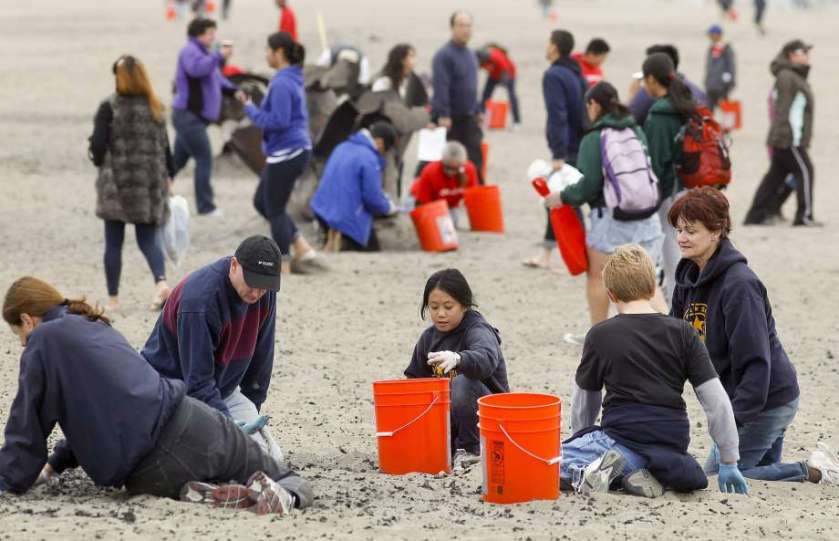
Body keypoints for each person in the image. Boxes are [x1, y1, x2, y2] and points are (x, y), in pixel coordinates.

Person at [0, 277, 313, 514]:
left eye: (20, 336)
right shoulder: (93, 325)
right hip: (196, 421)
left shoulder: (43, 340)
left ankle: (205, 489)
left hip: (150, 468)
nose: (23, 345)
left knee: (170, 478)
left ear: (28, 319)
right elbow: (113, 400)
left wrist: (10, 479)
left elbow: (26, 425)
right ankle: (286, 495)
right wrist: (58, 461)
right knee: (283, 474)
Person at [668, 188, 839, 484]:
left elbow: (756, 362)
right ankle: (808, 470)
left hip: (767, 400)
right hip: (741, 398)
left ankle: (817, 470)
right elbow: (675, 338)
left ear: (717, 231)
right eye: (679, 229)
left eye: (691, 231)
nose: (682, 237)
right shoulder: (688, 276)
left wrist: (731, 425)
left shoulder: (740, 286)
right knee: (760, 476)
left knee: (719, 476)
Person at [563, 245, 748, 497]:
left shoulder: (600, 335)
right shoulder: (684, 333)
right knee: (639, 457)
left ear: (611, 295)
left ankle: (615, 469)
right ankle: (637, 473)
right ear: (653, 289)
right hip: (670, 445)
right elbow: (716, 400)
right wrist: (729, 460)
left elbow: (585, 400)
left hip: (622, 437)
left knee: (549, 462)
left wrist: (581, 436)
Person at [141, 235, 285, 462]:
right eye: (252, 283)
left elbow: (262, 356)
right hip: (170, 393)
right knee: (210, 458)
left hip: (222, 392)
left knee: (270, 459)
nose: (257, 294)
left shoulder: (264, 292)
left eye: (264, 287)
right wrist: (229, 429)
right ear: (234, 265)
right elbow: (197, 384)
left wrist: (251, 411)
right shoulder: (200, 301)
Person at [544, 82, 666, 339]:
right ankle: (666, 334)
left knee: (598, 276)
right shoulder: (635, 129)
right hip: (646, 215)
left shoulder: (594, 137)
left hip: (611, 218)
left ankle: (598, 334)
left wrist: (563, 196)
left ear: (594, 105)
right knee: (648, 278)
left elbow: (589, 185)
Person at [89, 55, 173, 313]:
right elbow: (166, 149)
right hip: (148, 184)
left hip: (117, 183)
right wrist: (168, 177)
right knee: (148, 240)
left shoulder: (109, 107)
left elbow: (98, 147)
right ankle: (160, 282)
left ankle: (113, 300)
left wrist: (97, 154)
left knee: (114, 242)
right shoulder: (155, 106)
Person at [405, 269, 509, 468]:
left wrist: (459, 359)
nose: (440, 314)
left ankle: (472, 450)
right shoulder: (429, 338)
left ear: (464, 305)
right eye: (434, 307)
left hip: (490, 421)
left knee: (462, 382)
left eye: (448, 306)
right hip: (449, 423)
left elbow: (486, 358)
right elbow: (414, 380)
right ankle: (450, 447)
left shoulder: (478, 330)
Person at [240, 32, 324, 275]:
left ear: (279, 53)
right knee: (261, 202)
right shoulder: (290, 78)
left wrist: (250, 109)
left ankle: (282, 265)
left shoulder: (282, 83)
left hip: (289, 151)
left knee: (275, 208)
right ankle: (301, 245)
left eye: (268, 50)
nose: (265, 55)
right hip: (290, 150)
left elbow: (278, 120)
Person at [523, 29, 586, 270]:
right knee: (562, 199)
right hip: (580, 142)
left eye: (549, 43)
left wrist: (558, 153)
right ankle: (548, 253)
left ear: (555, 47)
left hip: (567, 147)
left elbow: (557, 114)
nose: (546, 46)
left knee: (562, 200)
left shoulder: (554, 75)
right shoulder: (576, 72)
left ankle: (571, 255)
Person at [642, 52, 696, 306]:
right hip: (689, 185)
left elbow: (656, 160)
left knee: (671, 250)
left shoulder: (661, 114)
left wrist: (652, 197)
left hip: (669, 191)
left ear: (652, 79)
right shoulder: (686, 104)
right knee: (684, 246)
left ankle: (677, 306)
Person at [743, 40, 818, 227]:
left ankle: (755, 215)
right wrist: (784, 137)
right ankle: (804, 216)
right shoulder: (787, 76)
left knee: (774, 177)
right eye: (804, 51)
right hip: (788, 138)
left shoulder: (794, 76)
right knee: (806, 171)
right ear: (792, 55)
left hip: (788, 137)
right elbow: (782, 110)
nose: (807, 55)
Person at [172, 18, 239, 216]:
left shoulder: (204, 53)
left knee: (177, 161)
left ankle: (156, 191)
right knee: (204, 158)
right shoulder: (189, 51)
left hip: (195, 119)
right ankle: (206, 206)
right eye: (210, 33)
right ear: (199, 34)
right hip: (188, 116)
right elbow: (197, 69)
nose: (213, 37)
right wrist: (219, 56)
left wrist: (233, 91)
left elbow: (216, 77)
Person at [310, 122, 398, 252]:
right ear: (379, 142)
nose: (383, 154)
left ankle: (330, 235)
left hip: (321, 211)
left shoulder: (342, 146)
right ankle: (341, 238)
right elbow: (373, 199)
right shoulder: (369, 158)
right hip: (345, 218)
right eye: (385, 149)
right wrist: (389, 207)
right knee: (373, 248)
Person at [431, 11, 485, 183]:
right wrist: (444, 114)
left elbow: (471, 86)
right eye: (461, 25)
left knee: (476, 161)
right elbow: (441, 86)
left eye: (468, 25)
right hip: (451, 120)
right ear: (452, 28)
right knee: (448, 164)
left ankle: (476, 198)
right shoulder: (443, 55)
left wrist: (477, 110)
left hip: (469, 118)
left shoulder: (471, 54)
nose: (465, 30)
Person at [628, 44, 707, 126]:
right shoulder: (696, 91)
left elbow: (630, 123)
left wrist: (631, 97)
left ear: (651, 78)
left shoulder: (649, 94)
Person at [410, 141, 478, 212]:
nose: (450, 172)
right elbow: (423, 203)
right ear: (442, 161)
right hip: (420, 199)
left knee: (452, 219)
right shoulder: (431, 171)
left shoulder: (469, 170)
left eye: (455, 169)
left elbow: (473, 196)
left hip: (447, 204)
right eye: (447, 167)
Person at [477, 43, 521, 127]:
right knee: (485, 95)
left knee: (512, 96)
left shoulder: (496, 57)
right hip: (493, 75)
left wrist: (503, 82)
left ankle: (516, 121)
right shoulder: (479, 60)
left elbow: (505, 70)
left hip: (509, 74)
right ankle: (481, 117)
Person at [704, 25, 736, 111]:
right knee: (709, 111)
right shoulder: (711, 48)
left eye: (711, 34)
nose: (710, 37)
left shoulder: (726, 48)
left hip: (722, 85)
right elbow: (709, 67)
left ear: (718, 35)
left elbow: (731, 66)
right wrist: (706, 81)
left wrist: (731, 81)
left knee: (726, 112)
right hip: (711, 85)